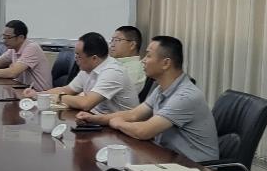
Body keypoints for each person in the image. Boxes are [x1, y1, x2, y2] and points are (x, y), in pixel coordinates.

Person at [76, 36, 218, 161]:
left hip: (195, 168)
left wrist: (117, 123)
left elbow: (144, 131)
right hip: (168, 157)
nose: (143, 60)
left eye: (148, 56)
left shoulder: (185, 96)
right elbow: (133, 114)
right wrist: (95, 119)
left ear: (166, 63)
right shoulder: (161, 88)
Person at [23, 32, 137, 114]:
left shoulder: (113, 72)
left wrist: (58, 97)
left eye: (78, 56)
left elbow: (86, 103)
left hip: (120, 130)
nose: (75, 59)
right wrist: (39, 94)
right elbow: (67, 90)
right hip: (97, 119)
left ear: (94, 58)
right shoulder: (88, 68)